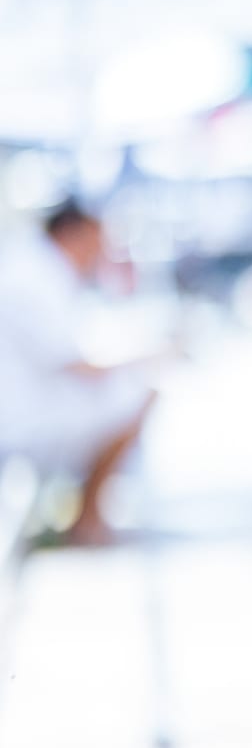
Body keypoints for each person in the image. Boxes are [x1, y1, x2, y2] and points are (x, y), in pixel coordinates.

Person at [0, 202, 156, 546]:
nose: (100, 251)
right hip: (22, 418)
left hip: (32, 402)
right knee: (139, 396)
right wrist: (142, 359)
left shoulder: (40, 268)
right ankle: (87, 520)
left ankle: (87, 516)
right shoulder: (34, 276)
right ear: (74, 232)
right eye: (97, 240)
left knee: (133, 393)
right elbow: (77, 365)